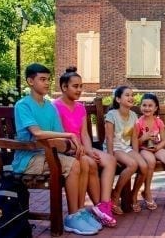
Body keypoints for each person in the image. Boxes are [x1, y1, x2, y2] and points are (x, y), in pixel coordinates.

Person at [13, 63, 101, 235]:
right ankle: (73, 216)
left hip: (48, 155)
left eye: (48, 80)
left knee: (82, 161)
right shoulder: (23, 105)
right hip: (28, 159)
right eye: (42, 79)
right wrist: (69, 136)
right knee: (74, 165)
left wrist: (73, 147)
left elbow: (59, 136)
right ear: (30, 81)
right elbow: (37, 133)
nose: (46, 83)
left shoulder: (49, 107)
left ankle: (79, 212)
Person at [53, 66, 118, 227]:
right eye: (75, 86)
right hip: (67, 149)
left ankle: (103, 205)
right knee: (90, 163)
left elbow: (84, 134)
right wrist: (84, 152)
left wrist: (89, 150)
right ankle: (96, 210)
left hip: (82, 147)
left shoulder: (80, 107)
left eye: (81, 86)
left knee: (110, 160)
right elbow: (60, 136)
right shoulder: (55, 107)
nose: (79, 90)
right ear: (63, 87)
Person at [104, 85, 148, 214]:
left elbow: (134, 137)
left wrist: (136, 153)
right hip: (114, 148)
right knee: (132, 164)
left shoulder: (133, 115)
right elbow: (109, 138)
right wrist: (111, 156)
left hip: (126, 148)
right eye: (127, 95)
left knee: (144, 166)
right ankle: (115, 195)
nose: (131, 97)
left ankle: (133, 195)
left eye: (132, 95)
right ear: (118, 99)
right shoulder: (112, 115)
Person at [136, 92, 165, 209]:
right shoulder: (138, 122)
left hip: (155, 147)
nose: (147, 108)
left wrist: (157, 147)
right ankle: (147, 192)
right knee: (151, 161)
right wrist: (143, 138)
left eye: (150, 106)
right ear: (140, 107)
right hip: (143, 148)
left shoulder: (158, 122)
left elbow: (164, 140)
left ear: (156, 108)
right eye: (144, 105)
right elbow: (135, 142)